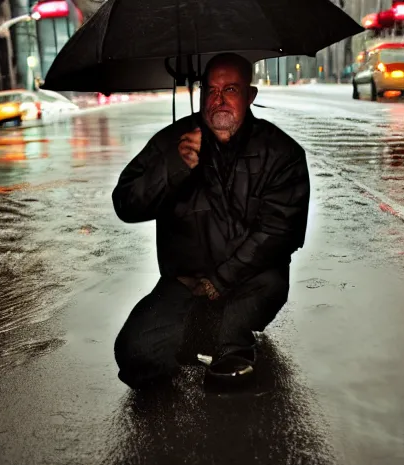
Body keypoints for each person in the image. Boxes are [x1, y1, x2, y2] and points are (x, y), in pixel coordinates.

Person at [112, 52, 310, 390]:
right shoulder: (173, 142)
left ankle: (230, 341)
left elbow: (279, 232)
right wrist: (173, 168)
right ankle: (198, 337)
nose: (219, 100)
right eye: (211, 90)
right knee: (135, 355)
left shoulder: (282, 154)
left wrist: (219, 281)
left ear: (250, 96)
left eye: (230, 90)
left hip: (252, 281)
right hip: (186, 284)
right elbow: (126, 204)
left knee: (228, 353)